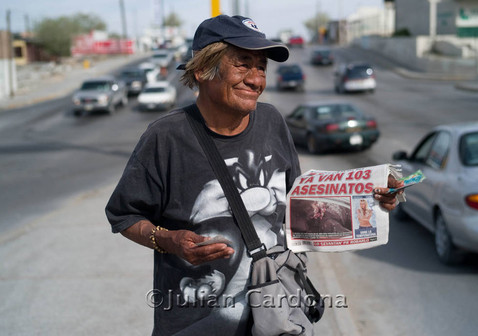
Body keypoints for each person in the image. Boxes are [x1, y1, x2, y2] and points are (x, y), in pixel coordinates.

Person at [105, 14, 402, 336]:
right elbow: (124, 216)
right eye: (242, 64)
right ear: (203, 69)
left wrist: (367, 200)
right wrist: (169, 240)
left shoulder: (272, 121)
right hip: (197, 322)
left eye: (261, 67)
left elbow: (297, 207)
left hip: (277, 313)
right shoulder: (166, 137)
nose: (256, 79)